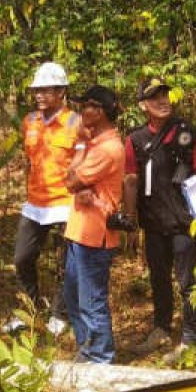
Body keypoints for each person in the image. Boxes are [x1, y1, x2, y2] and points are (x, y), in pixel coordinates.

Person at [123, 77, 196, 353]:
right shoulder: (135, 139)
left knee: (188, 281)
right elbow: (130, 179)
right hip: (153, 222)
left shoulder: (189, 132)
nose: (162, 101)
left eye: (165, 95)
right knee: (158, 278)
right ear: (143, 105)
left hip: (184, 222)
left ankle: (191, 338)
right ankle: (161, 329)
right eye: (154, 98)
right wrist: (130, 221)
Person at [14, 62, 83, 331]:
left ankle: (60, 314)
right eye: (37, 90)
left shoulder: (76, 122)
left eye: (46, 89)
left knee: (66, 262)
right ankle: (29, 312)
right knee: (22, 257)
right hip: (35, 204)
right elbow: (30, 161)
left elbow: (81, 163)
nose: (40, 95)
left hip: (65, 203)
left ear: (61, 90)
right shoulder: (29, 122)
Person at [62, 85, 126, 363]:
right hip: (79, 231)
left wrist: (77, 183)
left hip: (95, 236)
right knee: (74, 299)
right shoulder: (92, 144)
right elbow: (74, 181)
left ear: (99, 112)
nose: (80, 113)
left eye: (86, 107)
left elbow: (70, 180)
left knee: (92, 303)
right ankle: (86, 350)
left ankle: (101, 360)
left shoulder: (107, 149)